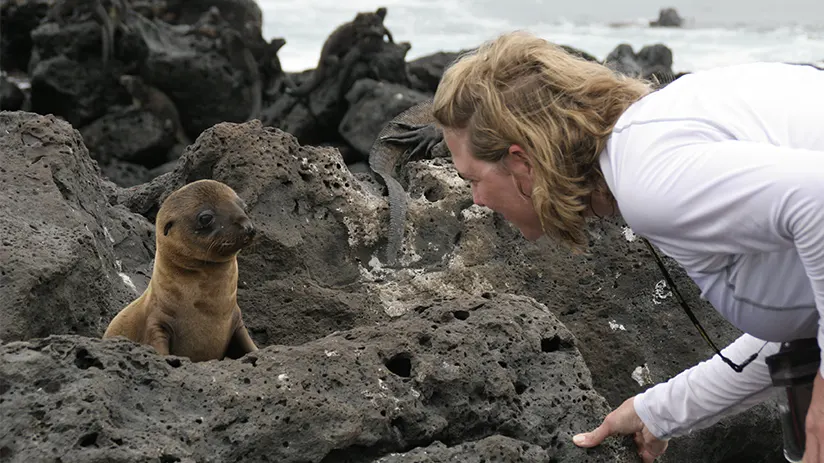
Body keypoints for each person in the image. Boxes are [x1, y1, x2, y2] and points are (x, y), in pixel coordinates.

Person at [430, 30, 824, 462]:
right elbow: (806, 317)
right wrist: (658, 411)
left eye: (473, 180)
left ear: (521, 162)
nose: (476, 201)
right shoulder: (653, 141)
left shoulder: (650, 179)